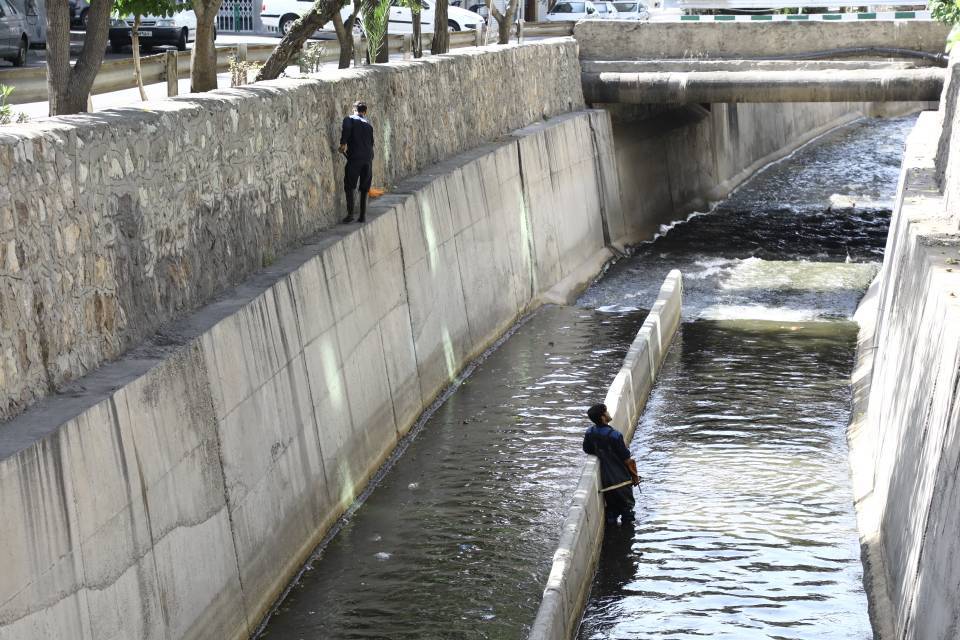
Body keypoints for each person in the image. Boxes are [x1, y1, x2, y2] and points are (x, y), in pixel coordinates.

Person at [582, 403, 640, 525]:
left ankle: (613, 532)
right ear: (603, 417)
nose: (609, 413)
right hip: (621, 480)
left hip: (606, 481)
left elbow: (587, 449)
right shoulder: (615, 436)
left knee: (612, 511)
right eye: (606, 411)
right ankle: (626, 537)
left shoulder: (590, 433)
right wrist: (635, 477)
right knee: (627, 511)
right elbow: (627, 459)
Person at [339, 101, 374, 224]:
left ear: (354, 110)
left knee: (349, 185)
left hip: (355, 158)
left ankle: (350, 214)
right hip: (368, 158)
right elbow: (371, 143)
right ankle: (362, 216)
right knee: (364, 188)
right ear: (365, 112)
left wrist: (343, 143)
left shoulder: (349, 119)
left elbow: (347, 128)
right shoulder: (369, 125)